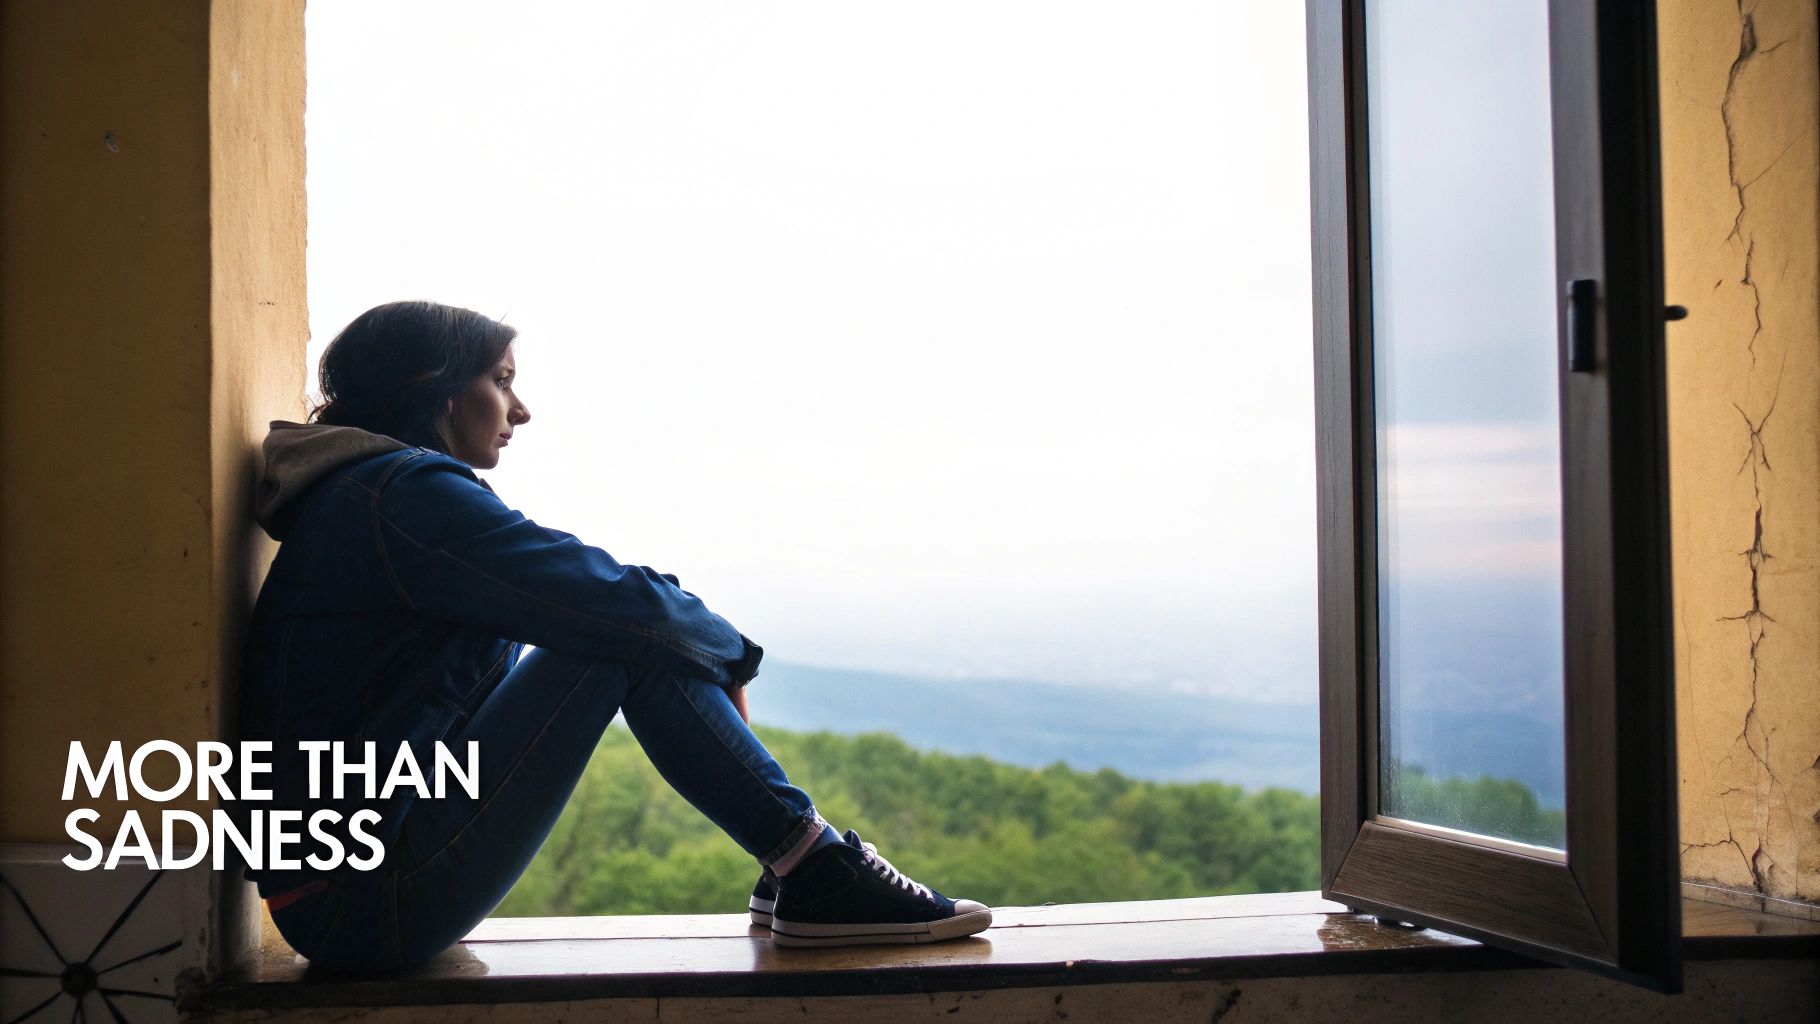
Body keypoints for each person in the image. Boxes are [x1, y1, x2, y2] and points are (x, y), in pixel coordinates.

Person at [239, 300, 991, 971]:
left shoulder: (371, 497)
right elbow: (613, 601)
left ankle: (799, 865)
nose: (520, 408)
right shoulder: (401, 497)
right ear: (438, 387)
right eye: (501, 380)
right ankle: (813, 867)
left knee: (631, 631)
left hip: (334, 892)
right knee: (619, 639)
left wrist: (689, 639)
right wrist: (732, 652)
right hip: (362, 905)